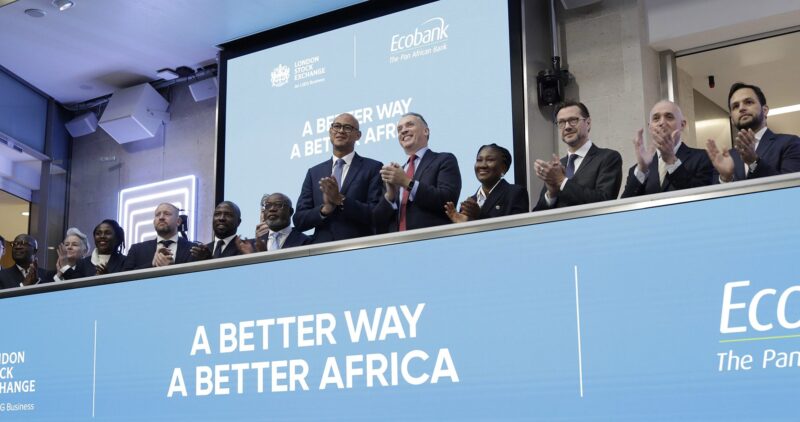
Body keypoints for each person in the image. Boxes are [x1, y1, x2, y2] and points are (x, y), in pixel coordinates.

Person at [293, 113, 383, 243]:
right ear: (330, 132)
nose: (340, 131)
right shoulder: (314, 173)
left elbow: (376, 213)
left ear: (358, 135)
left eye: (347, 127)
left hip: (359, 247)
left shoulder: (373, 167)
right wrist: (325, 209)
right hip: (322, 250)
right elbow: (299, 220)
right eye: (337, 126)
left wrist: (340, 199)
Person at [374, 112, 461, 231]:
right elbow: (378, 223)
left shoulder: (444, 160)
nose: (403, 131)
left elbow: (447, 201)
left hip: (431, 240)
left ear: (426, 131)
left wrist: (407, 182)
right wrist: (390, 196)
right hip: (397, 245)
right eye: (399, 129)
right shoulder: (395, 175)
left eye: (409, 125)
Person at [532, 101, 622, 210]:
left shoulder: (608, 157)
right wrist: (552, 193)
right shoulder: (556, 167)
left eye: (573, 120)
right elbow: (538, 214)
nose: (567, 127)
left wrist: (561, 181)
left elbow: (605, 200)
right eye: (561, 122)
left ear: (588, 123)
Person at [706, 82, 800, 183]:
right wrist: (726, 178)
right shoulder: (726, 158)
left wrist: (753, 162)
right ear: (732, 120)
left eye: (749, 102)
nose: (741, 108)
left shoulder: (790, 143)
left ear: (764, 110)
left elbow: (791, 188)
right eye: (735, 106)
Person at [621, 100, 713, 197]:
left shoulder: (702, 158)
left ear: (682, 125)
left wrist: (671, 160)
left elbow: (702, 199)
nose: (662, 123)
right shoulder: (638, 169)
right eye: (656, 118)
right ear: (649, 127)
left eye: (669, 117)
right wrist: (642, 169)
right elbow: (625, 207)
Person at [445, 143, 528, 223]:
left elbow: (517, 230)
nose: (483, 165)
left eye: (490, 160)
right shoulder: (470, 203)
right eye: (479, 160)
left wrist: (480, 215)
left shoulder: (516, 193)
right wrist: (462, 226)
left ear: (503, 168)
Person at [121, 203, 193, 270]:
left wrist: (172, 268)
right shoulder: (136, 250)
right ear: (154, 222)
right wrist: (152, 265)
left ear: (178, 221)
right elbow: (123, 279)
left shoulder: (193, 249)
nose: (161, 217)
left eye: (167, 214)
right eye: (157, 215)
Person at [243, 193, 311, 253]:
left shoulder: (305, 241)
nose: (272, 209)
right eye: (268, 206)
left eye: (278, 205)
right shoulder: (250, 246)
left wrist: (264, 255)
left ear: (290, 211)